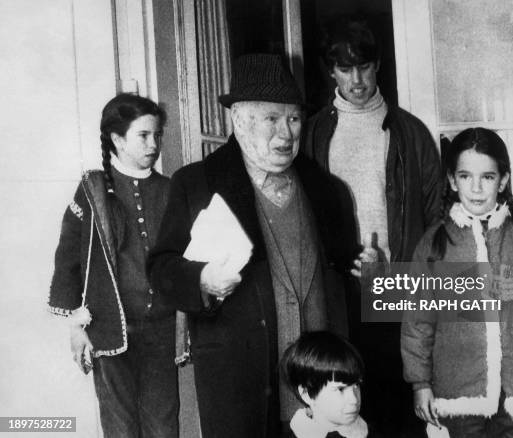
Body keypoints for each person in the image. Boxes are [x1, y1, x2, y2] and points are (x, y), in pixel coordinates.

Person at [147, 53, 357, 438]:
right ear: (239, 121)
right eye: (272, 119)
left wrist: (367, 269)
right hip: (240, 380)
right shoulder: (197, 184)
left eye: (293, 118)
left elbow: (346, 277)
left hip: (320, 387)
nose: (287, 133)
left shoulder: (329, 190)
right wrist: (202, 280)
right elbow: (162, 268)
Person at [302, 15, 442, 437]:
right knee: (340, 406)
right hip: (337, 290)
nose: (356, 79)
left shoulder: (411, 133)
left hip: (397, 286)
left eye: (363, 66)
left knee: (397, 402)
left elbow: (437, 218)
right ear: (331, 71)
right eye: (345, 69)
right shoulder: (312, 134)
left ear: (377, 65)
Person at [401, 128, 513, 437]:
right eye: (466, 176)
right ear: (452, 180)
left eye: (488, 177)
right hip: (461, 394)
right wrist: (420, 383)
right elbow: (417, 321)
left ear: (503, 180)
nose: (476, 188)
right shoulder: (433, 246)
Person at [48, 93, 178, 437]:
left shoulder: (170, 190)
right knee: (120, 426)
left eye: (157, 135)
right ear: (117, 139)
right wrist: (77, 325)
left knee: (164, 425)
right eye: (144, 136)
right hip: (110, 329)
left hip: (162, 330)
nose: (154, 144)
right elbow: (68, 258)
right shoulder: (93, 191)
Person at [280, 331, 376, 438]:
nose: (354, 400)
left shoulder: (366, 432)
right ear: (306, 394)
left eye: (356, 385)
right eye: (341, 389)